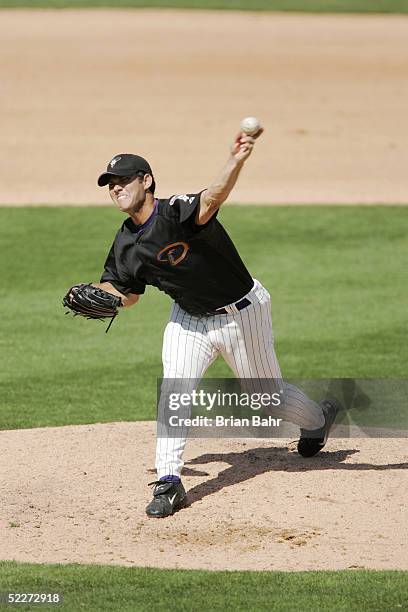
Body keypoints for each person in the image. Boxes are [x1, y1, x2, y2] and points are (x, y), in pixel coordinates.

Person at [88, 127, 339, 518]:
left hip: (242, 312)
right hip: (189, 318)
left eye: (123, 181)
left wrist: (236, 160)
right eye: (110, 185)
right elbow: (127, 292)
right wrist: (101, 295)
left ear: (147, 181)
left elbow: (213, 197)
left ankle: (319, 419)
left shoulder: (176, 212)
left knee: (267, 399)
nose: (116, 189)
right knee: (176, 387)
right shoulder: (124, 242)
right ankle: (169, 481)